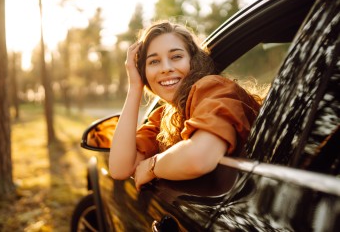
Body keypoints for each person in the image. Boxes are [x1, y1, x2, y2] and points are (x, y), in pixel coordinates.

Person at [109, 21, 261, 191]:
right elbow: (119, 169)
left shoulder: (213, 88)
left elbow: (199, 158)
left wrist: (152, 166)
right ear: (144, 72)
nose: (166, 68)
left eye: (176, 57)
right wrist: (135, 88)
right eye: (153, 62)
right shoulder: (163, 117)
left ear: (193, 61)